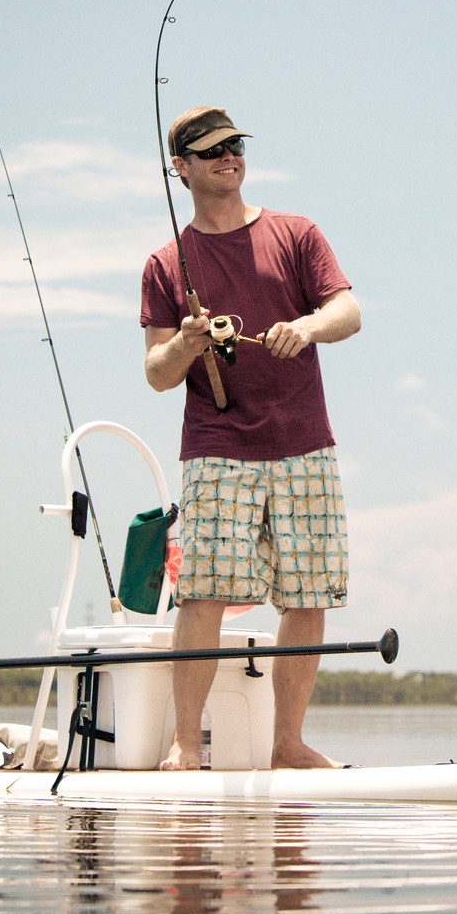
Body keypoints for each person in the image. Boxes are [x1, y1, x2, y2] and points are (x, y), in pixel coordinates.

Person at [140, 105, 361, 771]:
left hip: (304, 442)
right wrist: (184, 341)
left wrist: (310, 327)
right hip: (216, 447)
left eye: (235, 145)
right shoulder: (164, 263)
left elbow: (347, 310)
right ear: (181, 168)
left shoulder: (296, 234)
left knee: (308, 595)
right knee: (204, 591)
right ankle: (185, 745)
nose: (229, 157)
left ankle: (287, 745)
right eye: (211, 152)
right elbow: (156, 373)